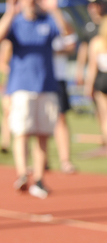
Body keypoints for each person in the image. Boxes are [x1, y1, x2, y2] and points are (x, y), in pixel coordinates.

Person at [0, 0, 74, 199]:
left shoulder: (48, 20)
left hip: (46, 85)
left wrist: (54, 8)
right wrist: (10, 13)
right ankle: (21, 173)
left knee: (43, 134)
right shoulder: (16, 23)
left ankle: (38, 178)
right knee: (22, 132)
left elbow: (69, 33)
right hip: (21, 86)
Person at [51, 30, 78, 173]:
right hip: (35, 78)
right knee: (36, 123)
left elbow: (71, 44)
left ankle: (65, 160)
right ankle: (41, 162)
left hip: (58, 77)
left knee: (61, 117)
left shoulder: (60, 19)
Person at [84, 15, 107, 156]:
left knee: (105, 116)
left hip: (102, 79)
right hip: (102, 79)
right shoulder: (97, 42)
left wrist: (88, 86)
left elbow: (92, 68)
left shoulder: (97, 42)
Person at [0, 39, 12, 154]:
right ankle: (5, 143)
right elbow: (0, 63)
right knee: (7, 112)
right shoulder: (7, 42)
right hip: (10, 83)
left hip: (28, 84)